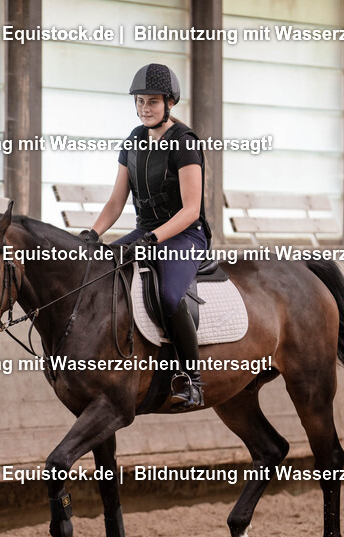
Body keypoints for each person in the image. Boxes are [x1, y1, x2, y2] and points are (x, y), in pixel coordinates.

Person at [81, 63, 210, 411]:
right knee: (101, 269)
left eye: (152, 102)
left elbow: (191, 210)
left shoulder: (184, 144)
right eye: (140, 102)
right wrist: (92, 233)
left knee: (169, 297)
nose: (145, 108)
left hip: (184, 235)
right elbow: (115, 201)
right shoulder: (134, 141)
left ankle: (193, 380)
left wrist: (153, 240)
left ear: (169, 103)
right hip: (145, 230)